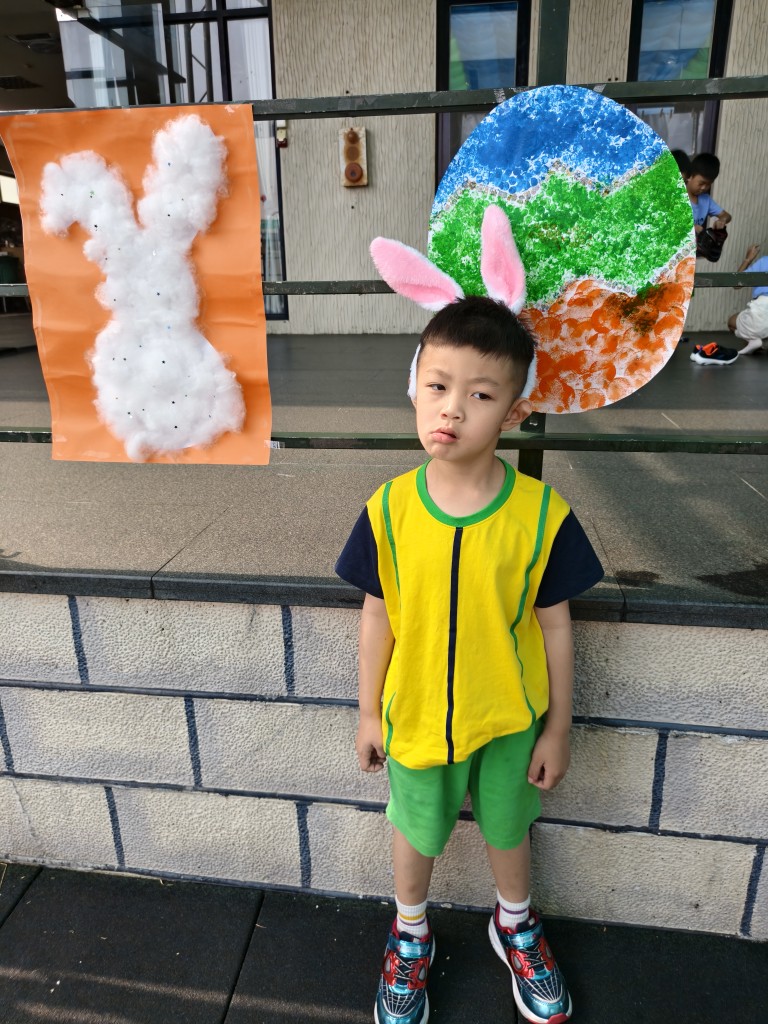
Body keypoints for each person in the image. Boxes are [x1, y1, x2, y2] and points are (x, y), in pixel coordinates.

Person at [336, 293, 603, 1024]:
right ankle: (410, 934)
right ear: (415, 388)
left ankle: (514, 922)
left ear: (514, 413)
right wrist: (367, 713)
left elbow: (556, 629)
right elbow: (377, 616)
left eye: (480, 395)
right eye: (437, 385)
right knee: (415, 828)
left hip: (509, 720)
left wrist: (557, 728)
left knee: (508, 827)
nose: (452, 409)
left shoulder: (541, 516)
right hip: (417, 717)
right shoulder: (388, 510)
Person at [728, 243, 768, 355]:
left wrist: (748, 259)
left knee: (732, 322)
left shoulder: (764, 261)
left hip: (762, 309)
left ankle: (755, 341)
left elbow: (736, 284)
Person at [685, 152, 731, 236]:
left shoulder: (706, 200)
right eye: (701, 183)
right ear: (690, 176)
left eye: (708, 184)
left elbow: (726, 216)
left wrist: (722, 220)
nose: (704, 188)